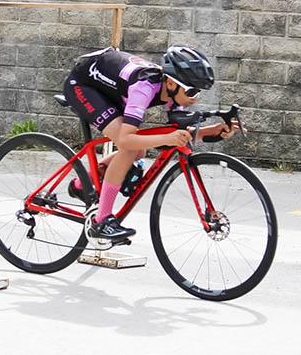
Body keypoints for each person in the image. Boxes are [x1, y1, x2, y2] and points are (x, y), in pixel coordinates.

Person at [63, 45, 241, 243]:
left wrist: (212, 131)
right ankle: (101, 220)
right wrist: (168, 138)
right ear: (172, 84)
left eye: (198, 93)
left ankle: (82, 185)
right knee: (130, 147)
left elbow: (175, 135)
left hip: (111, 90)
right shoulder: (144, 87)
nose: (194, 98)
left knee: (138, 150)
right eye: (191, 91)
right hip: (83, 86)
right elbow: (126, 139)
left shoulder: (172, 92)